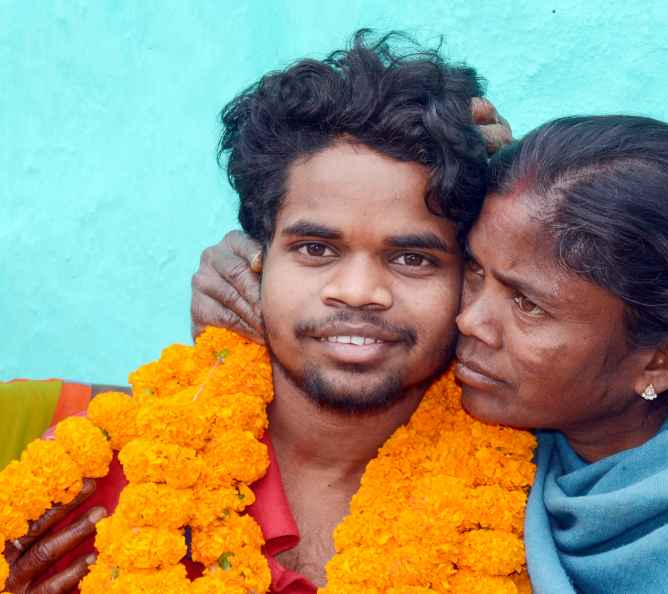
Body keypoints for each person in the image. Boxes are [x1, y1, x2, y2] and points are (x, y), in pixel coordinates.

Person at [192, 115, 668, 592]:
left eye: (525, 304)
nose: (469, 319)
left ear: (664, 360)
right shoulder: (544, 435)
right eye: (472, 270)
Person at [2, 30, 511, 594]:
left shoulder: (537, 498)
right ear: (254, 258)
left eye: (413, 257)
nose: (359, 291)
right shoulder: (48, 446)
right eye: (316, 249)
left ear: (470, 278)